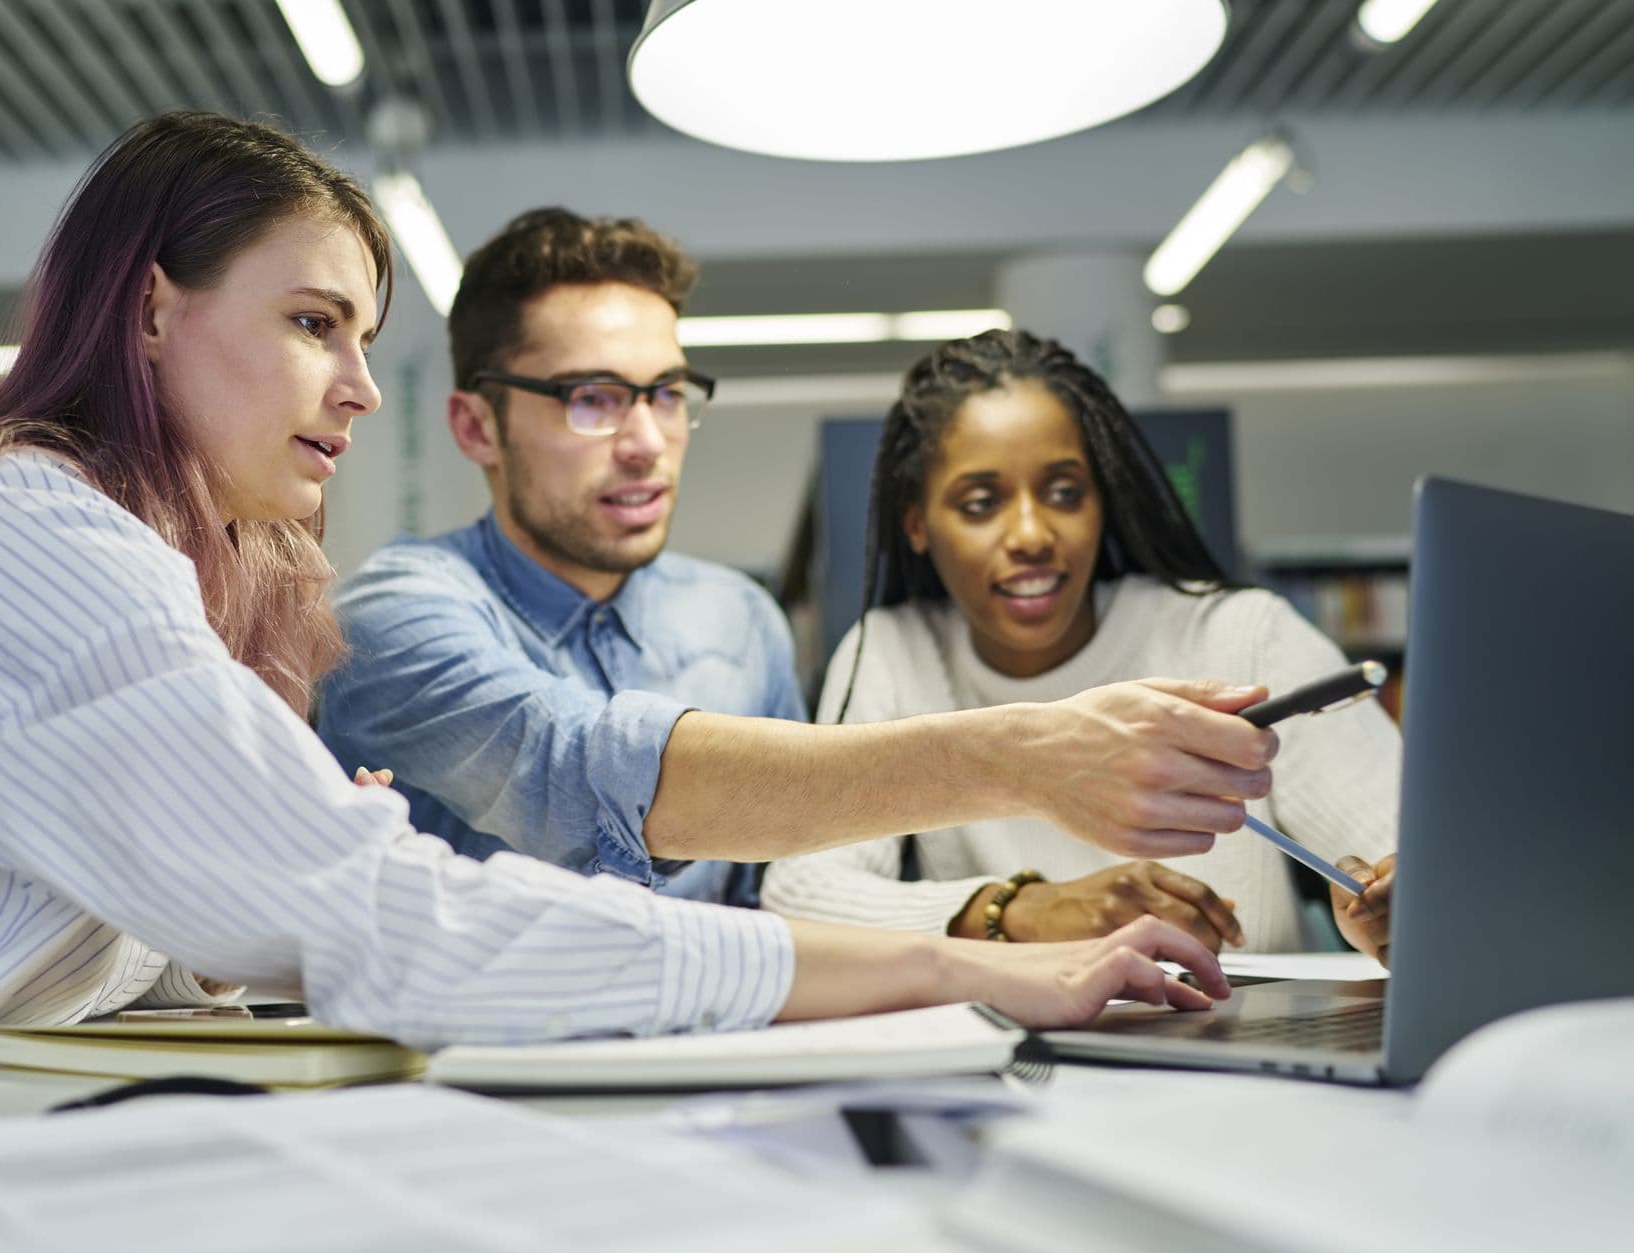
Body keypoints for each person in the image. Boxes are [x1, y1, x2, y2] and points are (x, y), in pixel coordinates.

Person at [0, 116, 1232, 1133]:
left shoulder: (92, 541)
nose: (353, 385)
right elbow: (390, 922)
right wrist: (956, 962)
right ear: (148, 310)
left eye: (364, 335)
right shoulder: (26, 537)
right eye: (314, 322)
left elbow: (130, 935)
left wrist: (266, 874)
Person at [318, 208, 1281, 912]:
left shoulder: (735, 619)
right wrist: (1028, 757)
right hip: (471, 1083)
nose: (647, 441)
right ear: (475, 424)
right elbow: (576, 766)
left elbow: (782, 900)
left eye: (665, 392)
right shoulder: (395, 615)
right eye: (591, 399)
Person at [763, 330, 1400, 961]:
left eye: (1065, 492)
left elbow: (1410, 856)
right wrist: (1022, 909)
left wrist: (1391, 908)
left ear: (1103, 503)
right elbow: (801, 892)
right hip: (1021, 1050)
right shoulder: (895, 651)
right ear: (917, 525)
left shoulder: (1240, 635)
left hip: (1248, 1044)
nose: (1033, 534)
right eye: (982, 502)